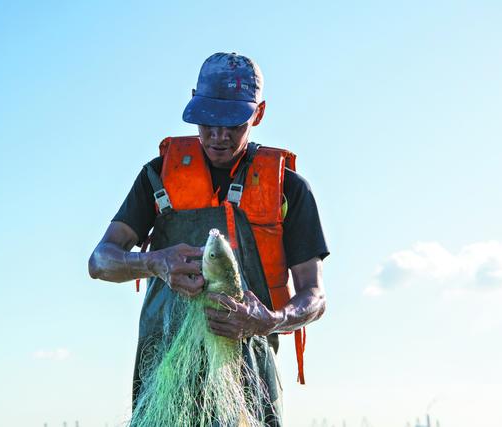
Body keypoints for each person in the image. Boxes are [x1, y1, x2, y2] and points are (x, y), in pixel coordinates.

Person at [89, 52, 329, 426]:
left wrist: (270, 320)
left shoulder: (288, 189)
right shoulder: (158, 176)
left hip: (247, 372)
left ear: (258, 114)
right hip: (164, 371)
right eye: (208, 122)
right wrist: (154, 261)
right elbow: (100, 261)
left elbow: (315, 297)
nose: (218, 135)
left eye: (233, 123)